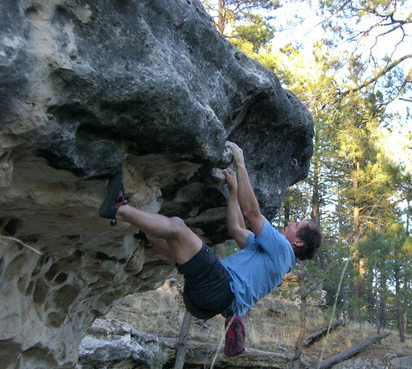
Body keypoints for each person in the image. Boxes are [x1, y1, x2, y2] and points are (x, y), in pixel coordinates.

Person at [99, 141, 321, 356]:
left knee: (177, 227)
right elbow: (235, 228)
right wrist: (233, 192)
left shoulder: (282, 249)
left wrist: (240, 164)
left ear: (298, 242)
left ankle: (119, 209)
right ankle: (144, 232)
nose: (290, 223)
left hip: (219, 288)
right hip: (203, 305)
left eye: (297, 225)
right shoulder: (272, 257)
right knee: (180, 252)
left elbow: (252, 211)